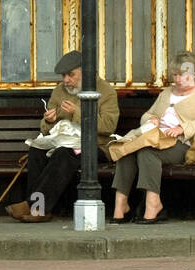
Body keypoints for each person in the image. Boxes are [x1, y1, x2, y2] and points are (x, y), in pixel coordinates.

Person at [111, 50, 195, 224]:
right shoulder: (166, 92)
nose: (177, 80)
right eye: (175, 75)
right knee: (127, 149)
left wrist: (183, 128)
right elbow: (146, 115)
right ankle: (121, 205)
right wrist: (151, 119)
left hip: (185, 144)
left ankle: (153, 204)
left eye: (182, 75)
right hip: (156, 138)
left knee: (148, 153)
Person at [7, 50, 119, 223]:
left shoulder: (106, 91)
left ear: (86, 72)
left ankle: (36, 206)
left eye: (71, 75)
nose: (66, 80)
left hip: (95, 146)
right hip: (62, 142)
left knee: (64, 154)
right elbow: (45, 129)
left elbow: (108, 126)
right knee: (36, 151)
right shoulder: (59, 91)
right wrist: (49, 121)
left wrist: (78, 113)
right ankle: (38, 208)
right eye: (64, 76)